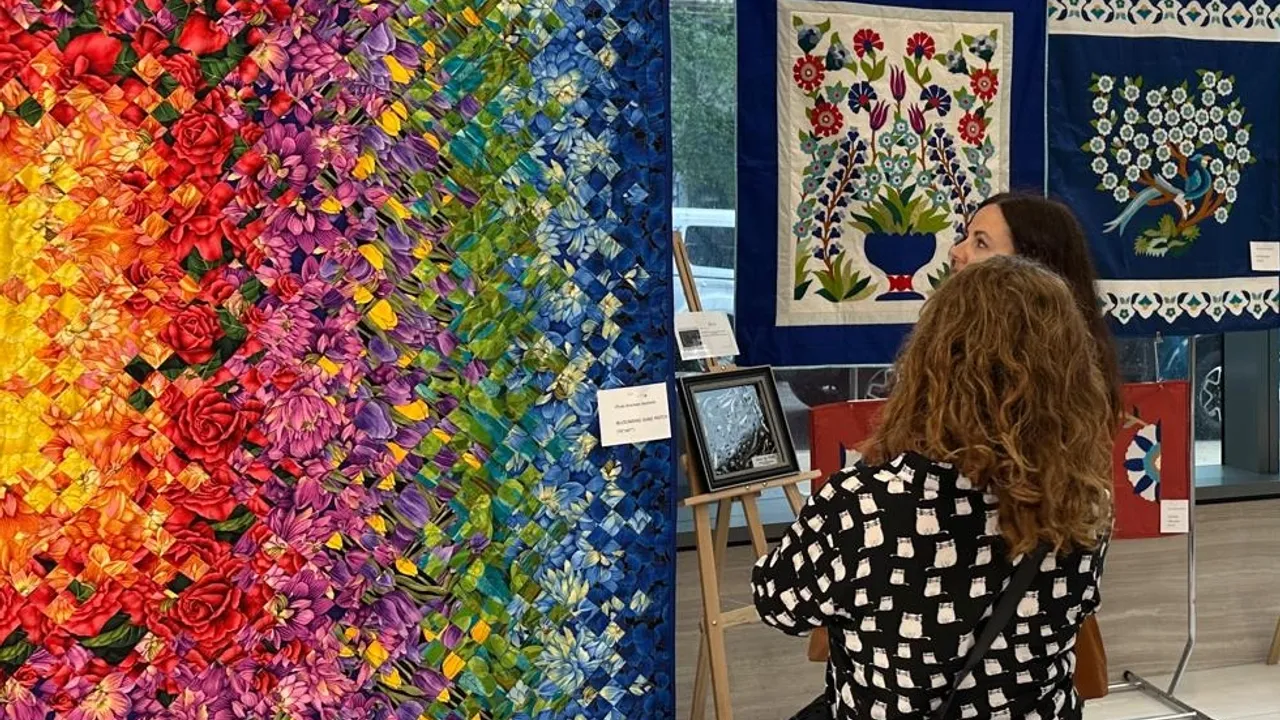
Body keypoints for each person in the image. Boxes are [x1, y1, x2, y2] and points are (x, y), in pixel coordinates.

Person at [753, 257, 1114, 720]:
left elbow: (777, 604)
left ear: (931, 363)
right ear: (1069, 375)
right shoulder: (1084, 502)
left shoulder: (862, 504)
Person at [950, 192, 1122, 417]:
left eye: (980, 243)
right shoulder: (948, 350)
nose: (955, 251)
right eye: (966, 237)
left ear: (1029, 270)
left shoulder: (1062, 384)